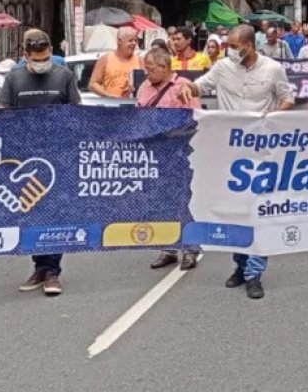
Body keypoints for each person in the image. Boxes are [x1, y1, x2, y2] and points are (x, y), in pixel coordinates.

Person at [177, 24, 294, 299]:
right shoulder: (223, 68)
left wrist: (273, 118)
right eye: (227, 45)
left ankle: (254, 273)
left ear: (249, 46)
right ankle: (240, 266)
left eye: (234, 45)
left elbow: (287, 98)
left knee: (258, 212)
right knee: (236, 212)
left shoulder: (272, 69)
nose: (229, 50)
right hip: (228, 153)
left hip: (261, 153)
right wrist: (187, 87)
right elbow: (201, 85)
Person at [1, 29, 81, 296]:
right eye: (37, 58)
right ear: (25, 56)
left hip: (58, 156)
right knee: (31, 214)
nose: (42, 62)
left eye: (46, 57)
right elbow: (4, 116)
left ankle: (53, 272)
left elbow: (77, 115)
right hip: (24, 158)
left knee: (55, 213)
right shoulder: (13, 79)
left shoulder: (64, 76)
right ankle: (39, 266)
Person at [138, 46, 203, 272]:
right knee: (159, 202)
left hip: (177, 155)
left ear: (164, 67)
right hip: (153, 157)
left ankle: (190, 248)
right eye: (145, 70)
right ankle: (168, 247)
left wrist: (169, 133)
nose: (147, 74)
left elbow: (194, 121)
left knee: (180, 201)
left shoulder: (183, 88)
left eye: (150, 69)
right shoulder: (144, 88)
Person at [89, 26, 142, 98]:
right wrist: (109, 96)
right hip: (111, 105)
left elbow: (148, 84)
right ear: (120, 41)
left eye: (135, 41)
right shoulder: (105, 60)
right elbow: (93, 84)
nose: (134, 43)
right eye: (130, 40)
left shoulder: (140, 61)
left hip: (134, 105)